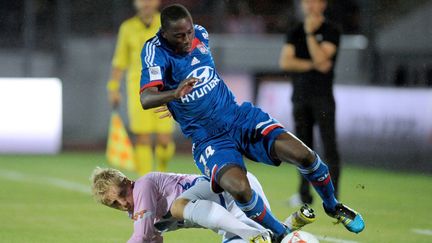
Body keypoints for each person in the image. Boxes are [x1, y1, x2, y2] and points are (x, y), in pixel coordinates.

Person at [139, 4, 365, 240]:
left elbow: (205, 77)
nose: (186, 39)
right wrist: (174, 95)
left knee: (305, 156)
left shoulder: (201, 34)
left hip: (240, 118)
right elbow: (146, 98)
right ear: (165, 33)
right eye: (179, 36)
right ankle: (281, 233)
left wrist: (178, 98)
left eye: (189, 33)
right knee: (240, 189)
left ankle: (333, 205)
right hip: (209, 139)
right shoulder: (155, 51)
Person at [90, 167, 315, 243]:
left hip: (232, 190)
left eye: (121, 194)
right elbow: (151, 239)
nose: (123, 203)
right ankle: (284, 228)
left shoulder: (144, 186)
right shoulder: (141, 214)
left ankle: (259, 233)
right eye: (114, 204)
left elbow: (141, 236)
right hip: (229, 215)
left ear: (128, 182)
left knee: (180, 205)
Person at [278, 0, 341, 206]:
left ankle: (333, 197)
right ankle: (304, 195)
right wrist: (315, 62)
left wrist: (310, 35)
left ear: (323, 4)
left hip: (323, 99)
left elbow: (323, 63)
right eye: (306, 1)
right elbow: (286, 62)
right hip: (300, 98)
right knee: (303, 150)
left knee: (329, 148)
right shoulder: (294, 30)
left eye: (313, 1)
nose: (309, 5)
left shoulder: (332, 30)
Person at [107, 0, 174, 175]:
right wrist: (113, 87)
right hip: (138, 89)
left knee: (164, 140)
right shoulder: (127, 28)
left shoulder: (167, 24)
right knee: (142, 137)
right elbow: (120, 61)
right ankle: (146, 180)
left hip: (164, 88)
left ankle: (161, 173)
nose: (146, 3)